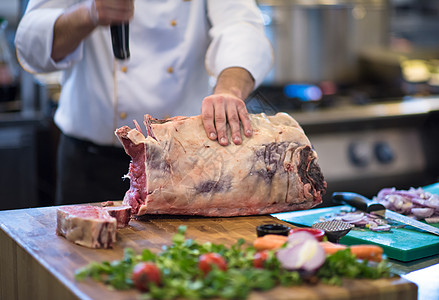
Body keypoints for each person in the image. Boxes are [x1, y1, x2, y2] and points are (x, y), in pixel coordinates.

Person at [15, 0, 273, 205]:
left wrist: (229, 88)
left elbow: (241, 26)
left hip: (183, 164)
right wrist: (89, 13)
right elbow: (31, 46)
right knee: (81, 264)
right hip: (89, 164)